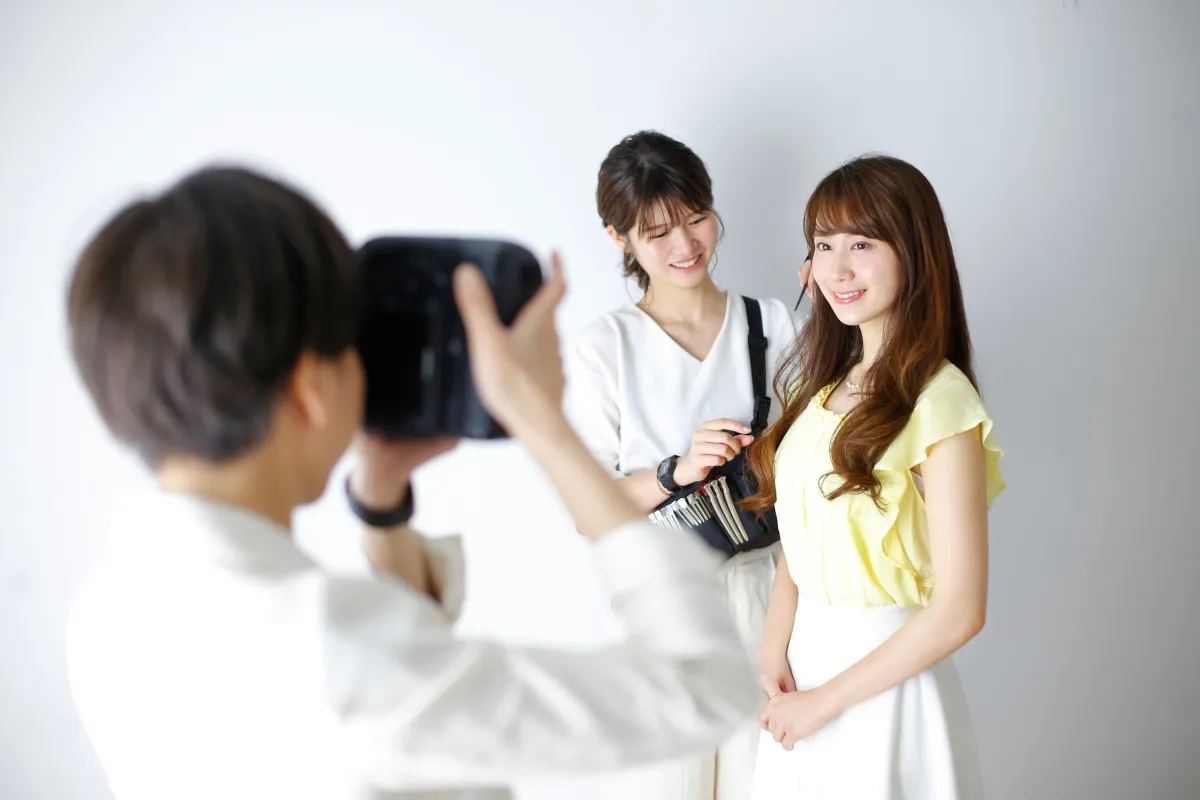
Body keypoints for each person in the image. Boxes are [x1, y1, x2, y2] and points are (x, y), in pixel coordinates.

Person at [62, 165, 766, 800]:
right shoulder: (335, 651)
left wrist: (380, 499)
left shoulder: (108, 612)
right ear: (310, 388)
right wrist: (540, 419)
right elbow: (702, 687)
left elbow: (402, 676)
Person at [743, 154, 1006, 800]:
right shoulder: (823, 389)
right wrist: (773, 649)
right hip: (801, 677)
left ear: (914, 251)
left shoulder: (940, 401)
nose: (837, 268)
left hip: (884, 686)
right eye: (823, 246)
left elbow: (961, 611)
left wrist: (825, 701)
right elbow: (802, 533)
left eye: (861, 244)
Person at [562, 130, 805, 800]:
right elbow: (588, 510)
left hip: (768, 599)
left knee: (766, 785)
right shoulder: (607, 345)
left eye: (697, 218)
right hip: (662, 606)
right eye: (657, 232)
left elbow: (812, 473)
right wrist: (677, 471)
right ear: (619, 238)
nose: (686, 245)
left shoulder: (771, 324)